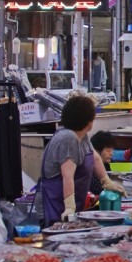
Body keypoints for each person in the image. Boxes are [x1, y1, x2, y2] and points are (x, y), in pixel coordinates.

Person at [40, 95, 101, 225]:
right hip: (58, 203)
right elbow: (67, 176)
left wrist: (107, 181)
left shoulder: (82, 136)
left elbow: (95, 158)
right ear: (88, 120)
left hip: (76, 201)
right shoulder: (68, 137)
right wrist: (69, 207)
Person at [87, 130, 125, 197]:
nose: (111, 153)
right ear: (96, 151)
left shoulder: (109, 165)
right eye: (108, 150)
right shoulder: (89, 169)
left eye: (112, 150)